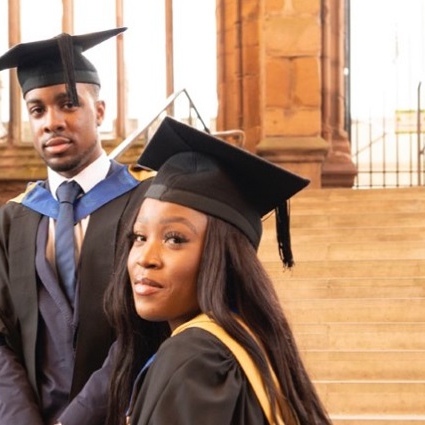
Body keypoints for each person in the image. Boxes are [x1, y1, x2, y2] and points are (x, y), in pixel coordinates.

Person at [0, 27, 152, 425]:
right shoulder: (12, 220)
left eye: (68, 104)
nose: (52, 122)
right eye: (37, 110)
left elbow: (145, 325)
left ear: (99, 111)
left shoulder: (145, 203)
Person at [105, 117, 332, 424]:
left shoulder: (196, 360)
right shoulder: (246, 343)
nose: (146, 257)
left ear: (222, 256)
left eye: (175, 239)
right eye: (139, 237)